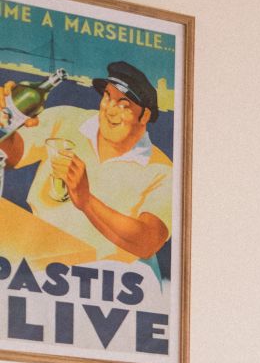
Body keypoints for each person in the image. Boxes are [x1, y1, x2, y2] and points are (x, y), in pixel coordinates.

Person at [0, 61, 172, 263]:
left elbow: (148, 241)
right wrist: (6, 123)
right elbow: (12, 154)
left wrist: (86, 201)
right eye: (108, 97)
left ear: (145, 116)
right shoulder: (65, 119)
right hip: (33, 256)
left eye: (124, 105)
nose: (111, 110)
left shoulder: (163, 171)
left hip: (104, 278)